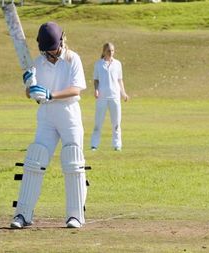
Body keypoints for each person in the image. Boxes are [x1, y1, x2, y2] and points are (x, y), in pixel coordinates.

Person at [10, 22, 88, 229]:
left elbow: (76, 90)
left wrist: (51, 94)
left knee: (73, 162)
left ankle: (76, 215)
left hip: (69, 114)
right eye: (47, 51)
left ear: (62, 41)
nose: (51, 54)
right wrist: (29, 86)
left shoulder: (73, 59)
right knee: (35, 160)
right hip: (46, 115)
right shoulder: (37, 63)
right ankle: (23, 214)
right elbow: (32, 94)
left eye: (54, 50)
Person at [90, 42, 129, 151]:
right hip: (102, 97)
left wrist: (123, 93)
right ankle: (94, 145)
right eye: (108, 51)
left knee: (116, 123)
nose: (111, 53)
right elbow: (96, 80)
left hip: (114, 97)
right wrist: (96, 90)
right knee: (98, 123)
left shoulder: (117, 64)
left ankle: (117, 145)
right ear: (104, 51)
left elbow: (120, 80)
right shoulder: (98, 64)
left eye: (112, 50)